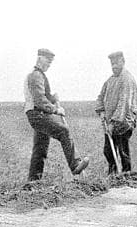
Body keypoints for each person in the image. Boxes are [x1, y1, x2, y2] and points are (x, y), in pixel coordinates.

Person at [23, 48, 89, 183]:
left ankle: (33, 181)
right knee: (63, 131)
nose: (49, 65)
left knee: (40, 149)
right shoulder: (36, 75)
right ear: (40, 58)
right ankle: (75, 165)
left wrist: (53, 98)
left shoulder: (39, 75)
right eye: (48, 61)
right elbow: (40, 100)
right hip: (38, 114)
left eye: (51, 62)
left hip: (37, 114)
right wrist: (56, 110)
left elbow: (44, 97)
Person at [95, 51, 137, 175]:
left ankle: (126, 175)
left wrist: (113, 123)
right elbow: (100, 97)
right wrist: (101, 111)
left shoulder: (127, 79)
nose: (114, 66)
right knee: (108, 151)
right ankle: (113, 175)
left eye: (116, 63)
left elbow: (124, 103)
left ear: (123, 61)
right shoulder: (110, 80)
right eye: (112, 64)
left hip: (124, 123)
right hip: (110, 123)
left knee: (123, 152)